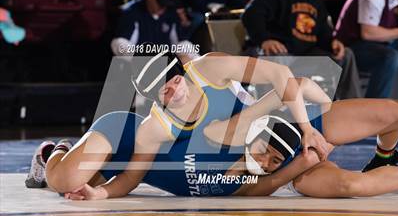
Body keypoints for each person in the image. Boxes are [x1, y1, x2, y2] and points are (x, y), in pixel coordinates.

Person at [26, 49, 328, 193]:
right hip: (121, 136)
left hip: (140, 166)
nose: (170, 90)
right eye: (162, 91)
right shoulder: (157, 125)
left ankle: (85, 168)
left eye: (172, 81)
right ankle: (53, 151)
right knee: (63, 183)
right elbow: (132, 176)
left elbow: (285, 77)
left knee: (84, 186)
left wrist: (309, 127)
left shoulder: (211, 70)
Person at [62, 86, 398, 199]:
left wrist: (309, 125)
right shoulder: (227, 173)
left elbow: (292, 84)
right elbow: (256, 187)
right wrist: (298, 165)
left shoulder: (228, 116)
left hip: (299, 125)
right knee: (350, 185)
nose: (263, 163)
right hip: (297, 160)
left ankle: (384, 157)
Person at [241, 0, 362, 100]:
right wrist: (264, 40)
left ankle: (351, 108)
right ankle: (275, 113)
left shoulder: (315, 0)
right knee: (278, 58)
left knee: (346, 55)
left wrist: (332, 42)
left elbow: (323, 32)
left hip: (305, 58)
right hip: (282, 57)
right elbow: (250, 14)